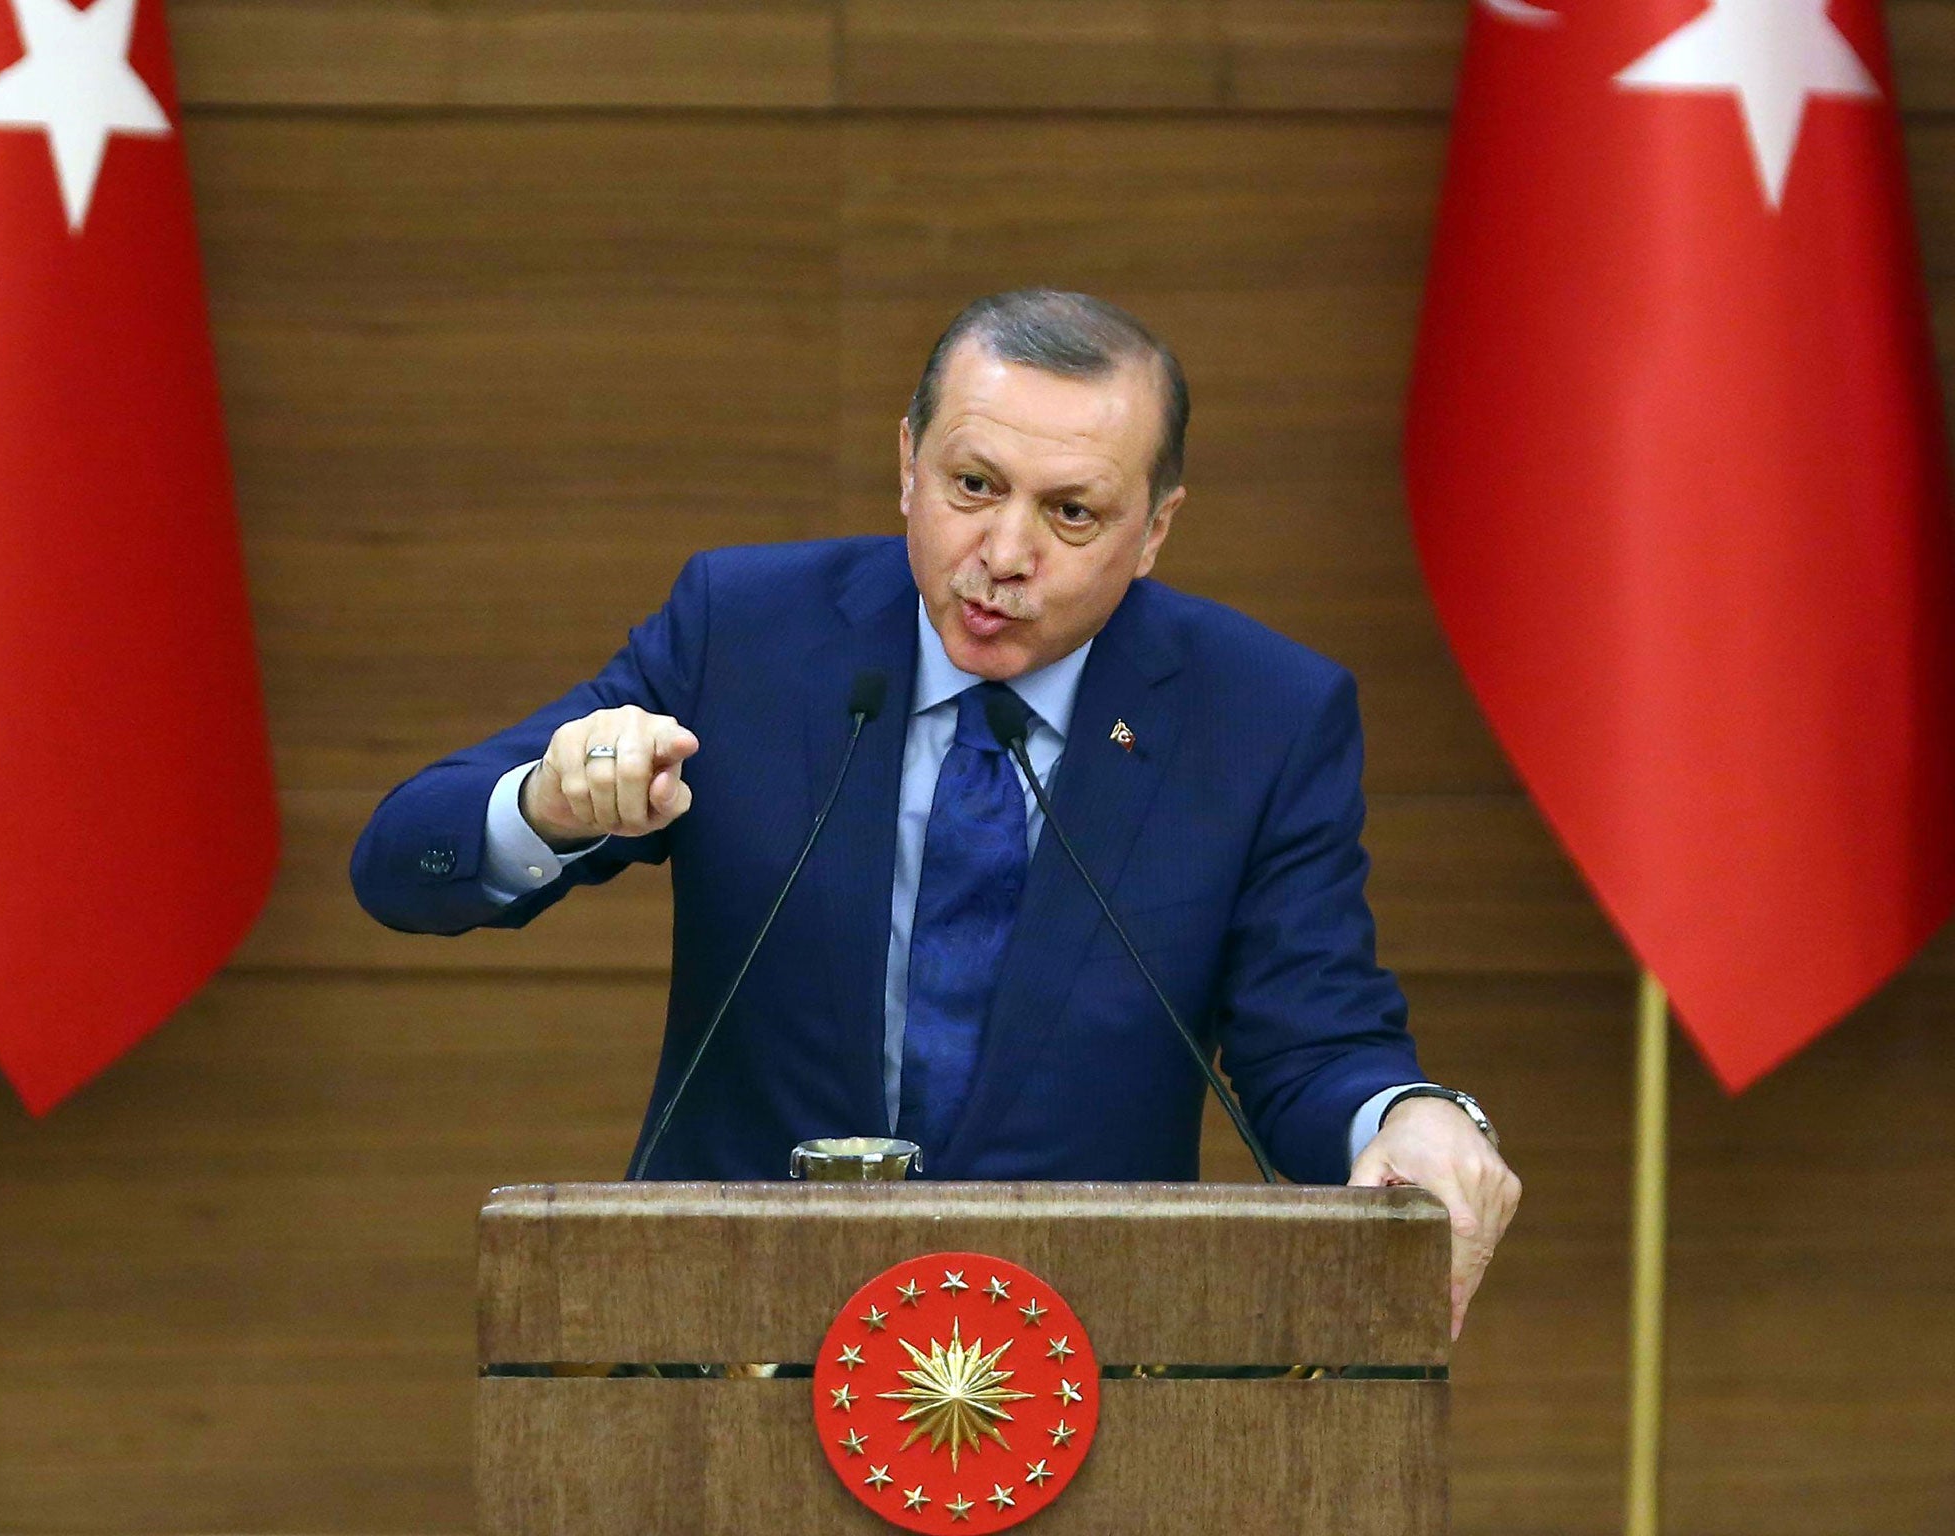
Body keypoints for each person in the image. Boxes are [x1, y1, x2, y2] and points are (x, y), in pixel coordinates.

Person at [352, 289, 1519, 1336]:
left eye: (1070, 515)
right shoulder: (746, 634)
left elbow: (1311, 1039)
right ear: (907, 463)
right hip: (734, 1335)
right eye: (972, 487)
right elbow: (404, 860)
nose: (1001, 555)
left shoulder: (1260, 715)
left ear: (1153, 531)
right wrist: (547, 807)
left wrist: (1409, 1115)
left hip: (1086, 1356)